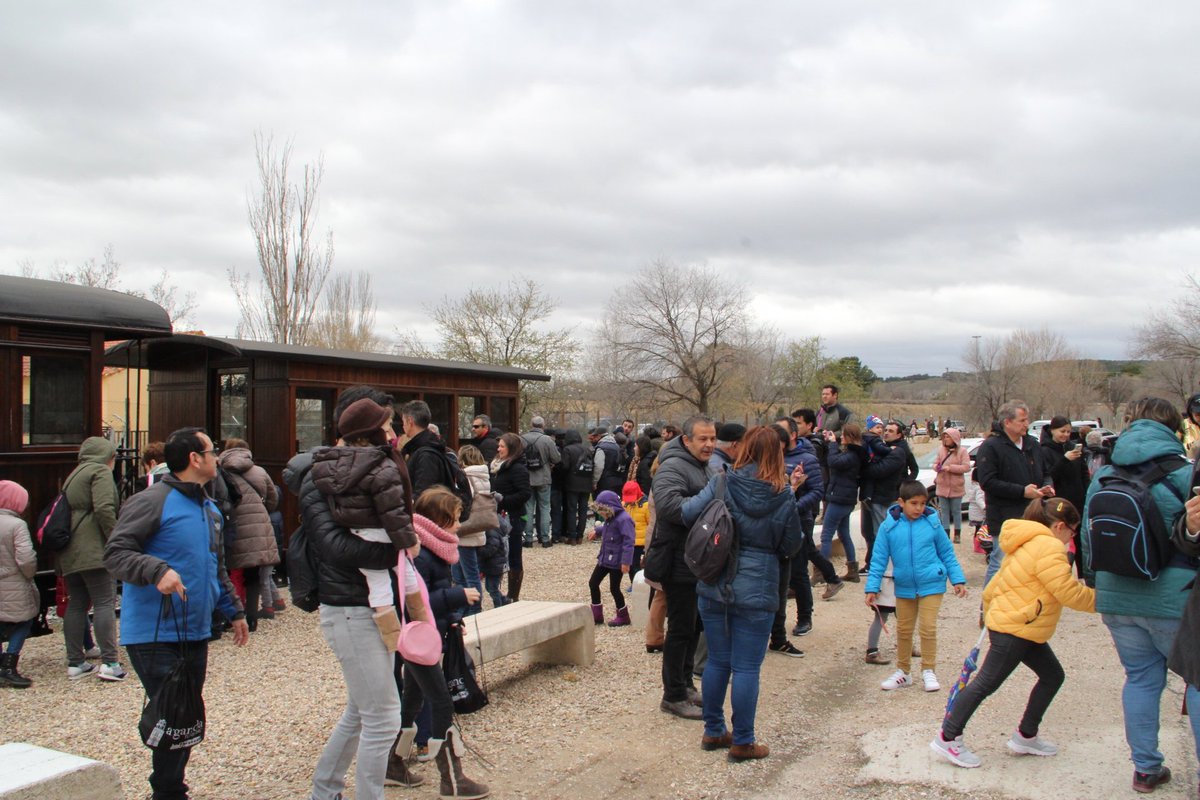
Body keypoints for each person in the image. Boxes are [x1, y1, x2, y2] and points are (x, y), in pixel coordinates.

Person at [104, 427, 249, 800]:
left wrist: (234, 610)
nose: (217, 457)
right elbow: (116, 553)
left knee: (185, 718)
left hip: (195, 630)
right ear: (195, 459)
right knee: (175, 713)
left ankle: (169, 789)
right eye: (212, 451)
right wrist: (156, 570)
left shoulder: (210, 508)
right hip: (153, 632)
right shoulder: (151, 501)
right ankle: (168, 792)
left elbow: (215, 566)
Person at [1082, 396, 1199, 794]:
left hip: (1118, 596)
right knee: (1196, 682)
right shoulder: (1185, 472)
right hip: (1175, 598)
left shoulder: (1104, 473)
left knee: (1141, 680)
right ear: (1173, 428)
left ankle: (1146, 769)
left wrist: (1097, 585)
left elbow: (1088, 536)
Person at [931, 497, 1095, 769]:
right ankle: (948, 737)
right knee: (985, 683)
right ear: (1060, 526)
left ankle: (1026, 735)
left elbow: (995, 583)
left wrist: (991, 612)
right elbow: (1068, 592)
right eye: (1073, 531)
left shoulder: (1026, 541)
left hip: (1020, 624)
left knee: (1052, 676)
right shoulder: (1049, 547)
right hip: (1016, 627)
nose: (1072, 537)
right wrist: (1104, 601)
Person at [681, 426, 804, 761]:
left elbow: (687, 513)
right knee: (747, 667)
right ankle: (743, 740)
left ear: (745, 448)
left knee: (718, 660)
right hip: (758, 588)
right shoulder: (783, 495)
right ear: (777, 454)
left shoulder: (722, 481)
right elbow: (791, 545)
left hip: (715, 581)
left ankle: (713, 729)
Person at [397, 488, 489, 799]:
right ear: (439, 520)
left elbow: (433, 594)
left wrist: (451, 618)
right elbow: (416, 600)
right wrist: (458, 596)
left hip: (426, 634)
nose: (459, 525)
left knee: (412, 698)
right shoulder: (422, 553)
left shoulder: (436, 547)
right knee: (441, 702)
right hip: (418, 637)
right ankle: (453, 780)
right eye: (455, 518)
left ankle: (392, 763)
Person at [311, 398, 420, 650]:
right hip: (383, 535)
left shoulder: (333, 465)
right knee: (408, 577)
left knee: (378, 588)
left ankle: (392, 637)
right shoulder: (383, 466)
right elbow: (393, 512)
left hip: (359, 533)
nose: (391, 434)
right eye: (387, 427)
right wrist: (408, 542)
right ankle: (421, 621)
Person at [865, 480, 968, 692]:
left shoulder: (933, 523)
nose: (919, 508)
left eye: (922, 503)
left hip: (932, 583)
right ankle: (903, 672)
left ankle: (928, 670)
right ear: (901, 502)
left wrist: (957, 580)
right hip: (904, 585)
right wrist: (872, 587)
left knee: (928, 627)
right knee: (904, 630)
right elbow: (878, 559)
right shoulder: (888, 527)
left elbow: (947, 553)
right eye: (914, 503)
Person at [647, 414, 717, 720]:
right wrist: (710, 495)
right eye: (703, 439)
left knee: (693, 626)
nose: (709, 444)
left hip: (698, 561)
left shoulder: (704, 465)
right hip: (678, 560)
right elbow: (671, 509)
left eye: (712, 438)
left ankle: (686, 685)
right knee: (679, 629)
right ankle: (673, 695)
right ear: (687, 440)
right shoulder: (673, 467)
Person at [61, 435, 124, 681]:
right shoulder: (100, 471)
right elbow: (104, 508)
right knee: (104, 602)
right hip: (94, 547)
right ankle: (110, 662)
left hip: (71, 547)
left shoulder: (74, 474)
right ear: (107, 456)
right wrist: (117, 539)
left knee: (77, 603)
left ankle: (75, 662)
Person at [976, 400, 1051, 586]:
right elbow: (987, 482)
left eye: (1027, 420)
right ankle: (989, 602)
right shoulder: (991, 446)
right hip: (1004, 517)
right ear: (1007, 422)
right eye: (1022, 420)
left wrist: (1047, 486)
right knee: (1001, 562)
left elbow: (1046, 472)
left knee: (1029, 563)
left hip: (1033, 514)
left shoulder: (1032, 444)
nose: (1027, 424)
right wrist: (1022, 492)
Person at [218, 438, 279, 632]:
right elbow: (273, 500)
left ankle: (233, 614)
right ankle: (252, 617)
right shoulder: (259, 471)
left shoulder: (220, 471)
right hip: (258, 524)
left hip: (232, 524)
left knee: (230, 571)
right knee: (253, 574)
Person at [0, 480, 37, 688]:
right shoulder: (17, 525)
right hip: (14, 581)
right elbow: (26, 558)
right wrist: (29, 575)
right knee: (24, 621)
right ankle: (9, 665)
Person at [1040, 416, 1087, 573]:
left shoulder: (1073, 447)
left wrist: (1086, 493)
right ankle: (1059, 574)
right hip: (1058, 504)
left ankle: (1082, 576)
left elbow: (1083, 474)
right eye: (1062, 431)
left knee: (1080, 542)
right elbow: (1049, 476)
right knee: (1059, 543)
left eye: (1068, 431)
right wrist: (1064, 459)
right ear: (1052, 430)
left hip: (1077, 502)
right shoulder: (1044, 450)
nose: (1066, 435)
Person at [820, 423, 865, 578]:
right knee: (844, 534)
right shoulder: (856, 453)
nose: (841, 437)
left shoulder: (852, 455)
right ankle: (852, 570)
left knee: (826, 535)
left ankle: (822, 572)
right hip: (846, 499)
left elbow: (833, 462)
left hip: (839, 499)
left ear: (849, 437)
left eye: (843, 435)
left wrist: (833, 444)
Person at [490, 432, 531, 600]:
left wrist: (503, 500)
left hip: (512, 517)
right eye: (498, 446)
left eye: (502, 446)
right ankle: (499, 592)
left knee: (514, 554)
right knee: (500, 553)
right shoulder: (497, 467)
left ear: (511, 448)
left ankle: (513, 595)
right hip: (498, 516)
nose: (498, 449)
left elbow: (525, 493)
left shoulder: (518, 469)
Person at [586, 490, 635, 626]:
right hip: (605, 558)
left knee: (614, 588)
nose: (602, 514)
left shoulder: (624, 519)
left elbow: (629, 542)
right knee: (593, 583)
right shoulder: (610, 518)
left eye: (603, 511)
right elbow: (607, 528)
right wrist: (597, 531)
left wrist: (626, 562)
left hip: (617, 561)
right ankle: (597, 615)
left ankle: (623, 616)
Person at [456, 445, 491, 615]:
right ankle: (468, 606)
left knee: (468, 574)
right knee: (469, 572)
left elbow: (464, 501)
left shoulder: (466, 477)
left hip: (466, 529)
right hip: (478, 527)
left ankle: (474, 607)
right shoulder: (483, 475)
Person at [522, 416, 561, 548]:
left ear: (531, 424)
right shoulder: (547, 440)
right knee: (545, 508)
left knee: (528, 508)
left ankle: (528, 539)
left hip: (527, 478)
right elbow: (556, 458)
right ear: (543, 426)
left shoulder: (522, 439)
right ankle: (545, 539)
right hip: (544, 478)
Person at [934, 428, 972, 543]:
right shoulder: (941, 450)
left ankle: (957, 534)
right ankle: (945, 534)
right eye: (944, 437)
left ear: (954, 438)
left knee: (956, 511)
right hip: (942, 485)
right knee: (944, 511)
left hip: (956, 487)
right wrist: (937, 467)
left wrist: (951, 468)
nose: (946, 439)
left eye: (948, 437)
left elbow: (966, 467)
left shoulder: (962, 451)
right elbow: (936, 463)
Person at [559, 429, 592, 545]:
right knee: (583, 510)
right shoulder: (587, 449)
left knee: (572, 510)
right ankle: (580, 537)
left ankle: (572, 537)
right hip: (586, 484)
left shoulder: (567, 449)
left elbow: (565, 467)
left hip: (572, 484)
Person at [623, 480, 650, 580]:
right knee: (631, 565)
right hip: (629, 540)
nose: (630, 501)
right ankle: (634, 583)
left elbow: (651, 523)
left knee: (635, 565)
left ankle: (637, 582)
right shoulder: (625, 505)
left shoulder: (646, 505)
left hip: (640, 541)